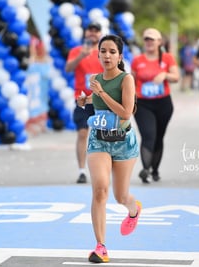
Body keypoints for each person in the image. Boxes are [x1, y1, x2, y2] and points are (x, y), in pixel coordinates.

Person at [77, 34, 142, 263]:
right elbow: (97, 104)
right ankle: (101, 247)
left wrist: (101, 92)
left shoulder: (126, 79)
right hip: (99, 140)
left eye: (112, 51)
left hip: (123, 142)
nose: (107, 55)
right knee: (100, 190)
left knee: (120, 195)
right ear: (98, 54)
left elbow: (125, 112)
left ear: (120, 56)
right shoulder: (95, 78)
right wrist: (84, 100)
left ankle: (134, 210)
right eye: (103, 51)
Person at [131, 28, 180, 183]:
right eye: (146, 39)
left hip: (163, 103)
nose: (149, 42)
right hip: (143, 103)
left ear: (159, 42)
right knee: (148, 135)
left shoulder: (167, 58)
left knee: (159, 137)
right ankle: (146, 170)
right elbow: (131, 81)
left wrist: (165, 75)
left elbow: (176, 77)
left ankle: (155, 169)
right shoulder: (137, 60)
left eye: (152, 39)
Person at [65, 22, 104, 184]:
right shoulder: (76, 51)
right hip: (82, 98)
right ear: (85, 32)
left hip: (101, 99)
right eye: (90, 30)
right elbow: (68, 69)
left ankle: (102, 169)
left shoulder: (105, 52)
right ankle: (82, 171)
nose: (93, 33)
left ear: (100, 34)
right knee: (82, 133)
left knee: (103, 135)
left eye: (96, 30)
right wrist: (81, 55)